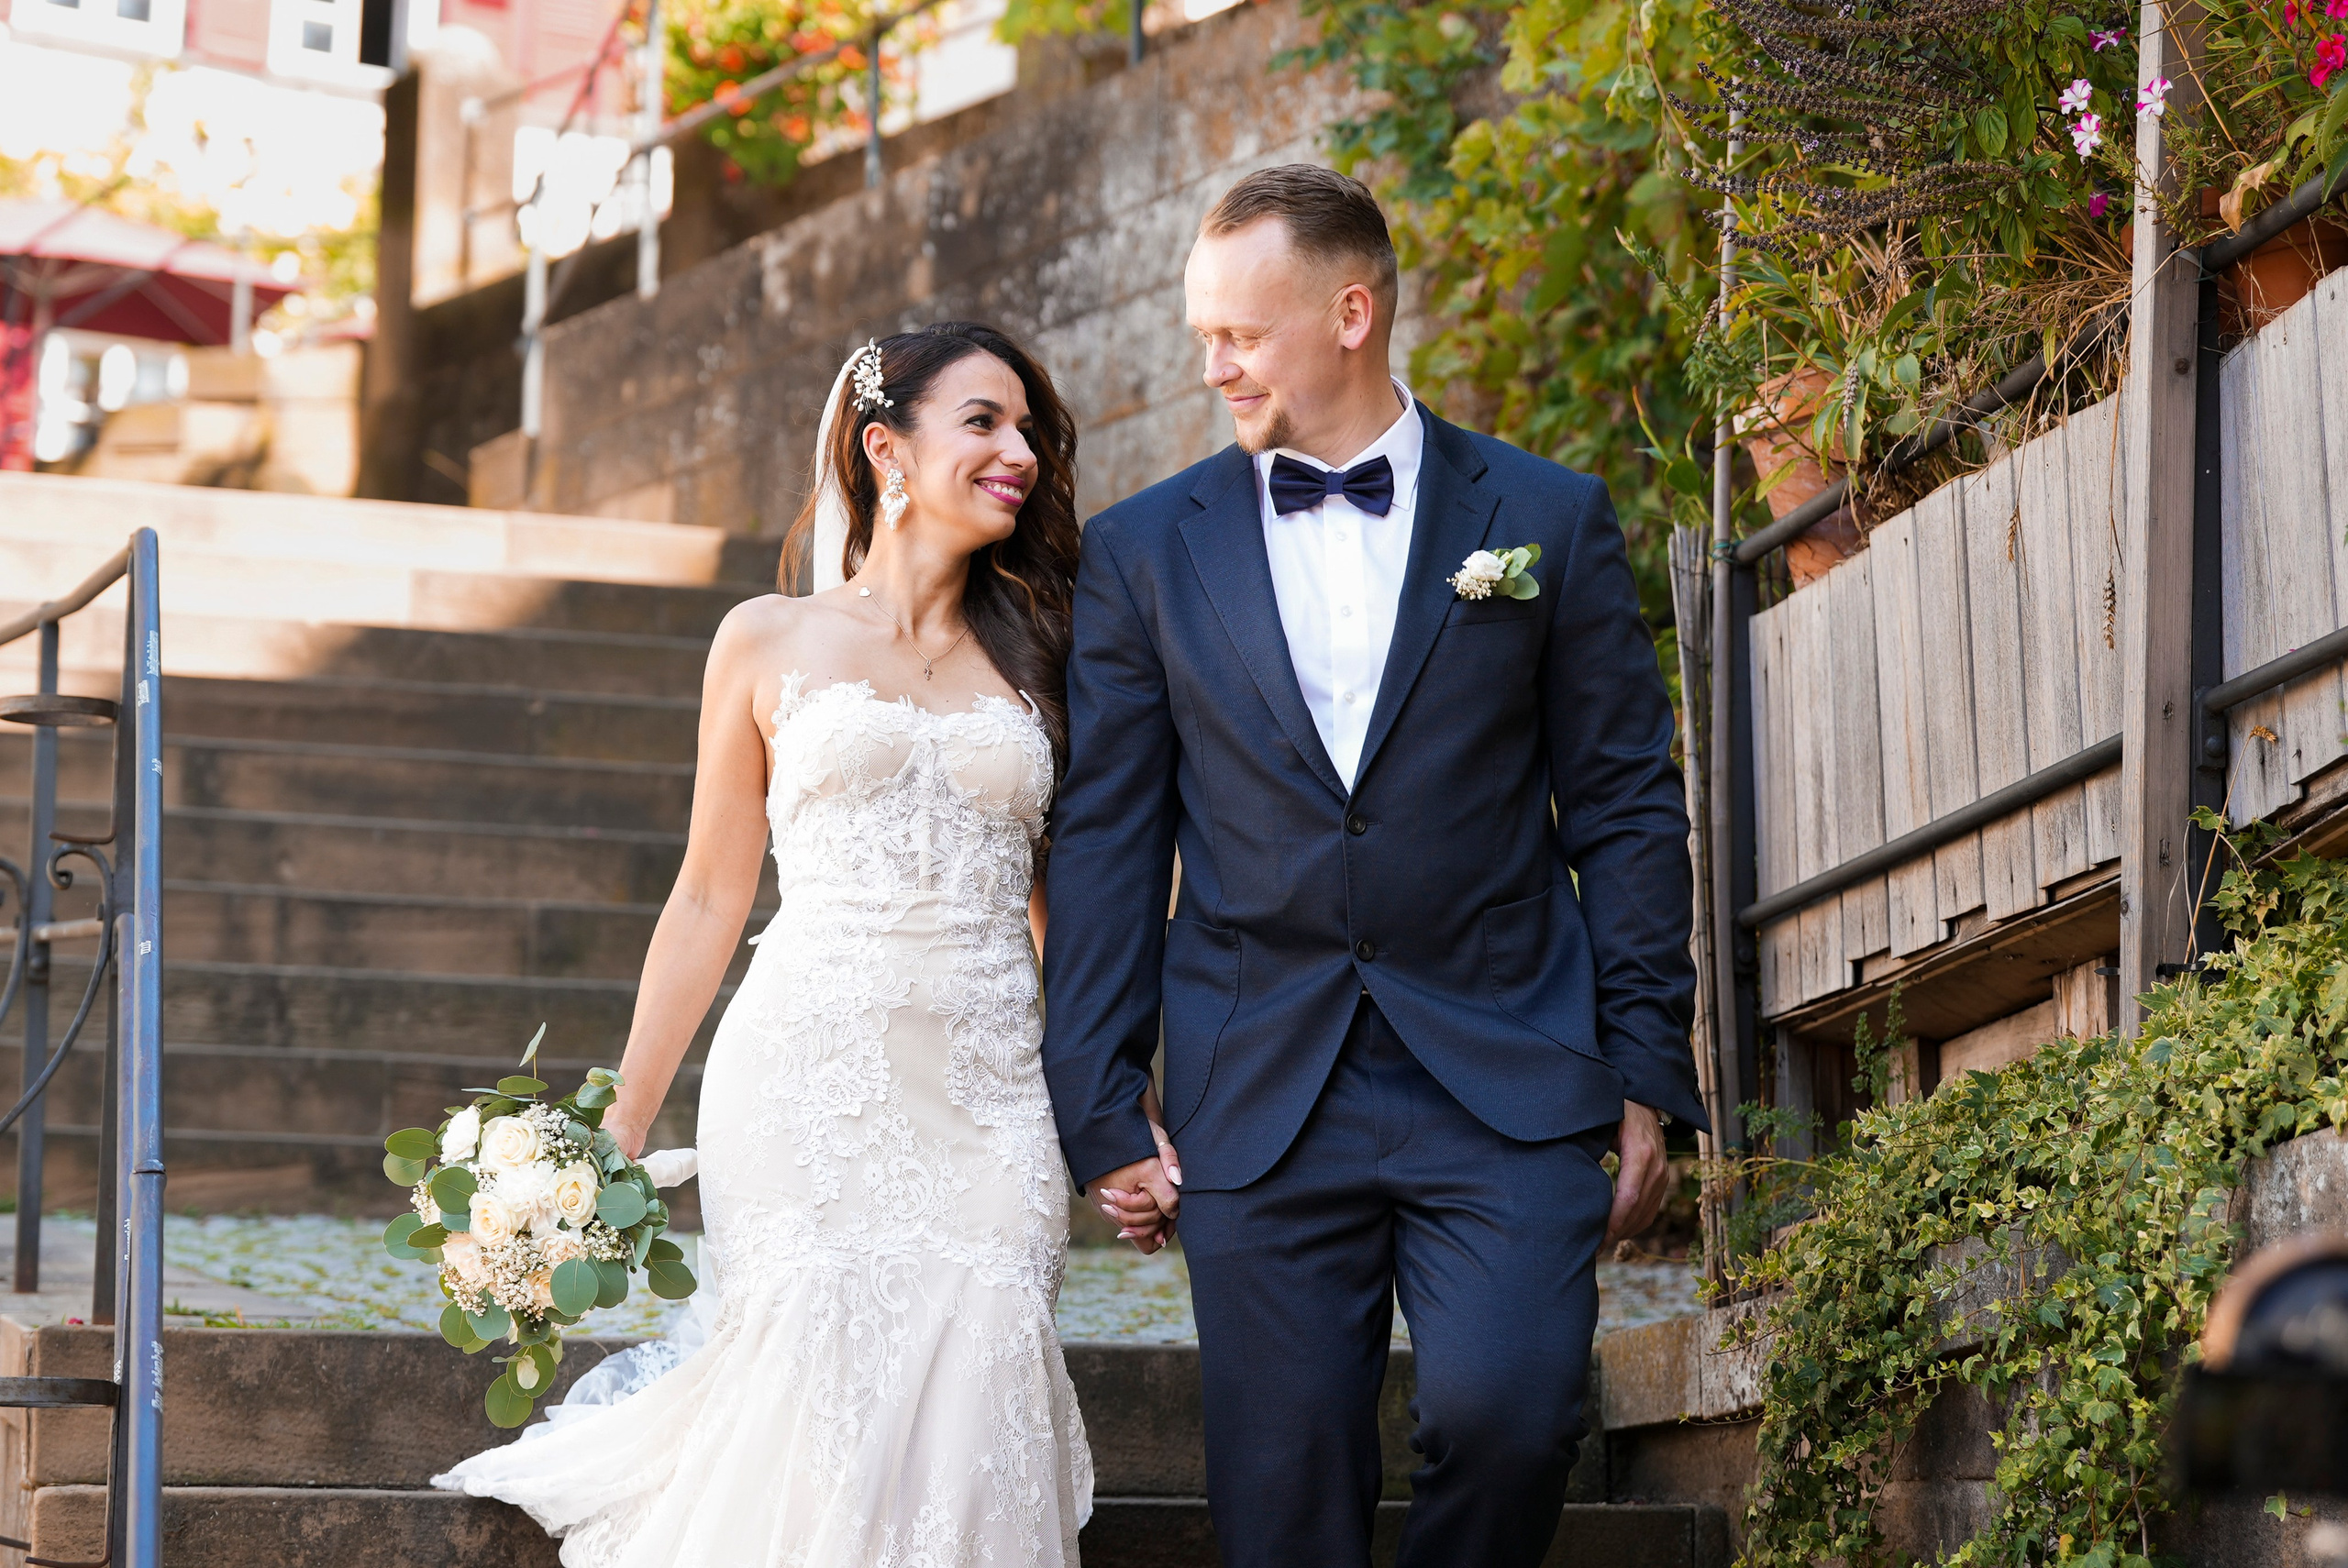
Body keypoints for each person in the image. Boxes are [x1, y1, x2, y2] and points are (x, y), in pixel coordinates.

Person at [1040, 164, 1708, 1568]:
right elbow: (1112, 836)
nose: (1212, 365)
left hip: (1507, 1062)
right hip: (1257, 1072)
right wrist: (1102, 1099)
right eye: (1201, 334)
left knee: (1515, 1412)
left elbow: (1627, 807)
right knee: (1281, 1493)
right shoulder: (1145, 553)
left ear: (1352, 312)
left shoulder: (1547, 518)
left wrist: (1647, 1062)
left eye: (1241, 331)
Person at [435, 321, 1100, 1567]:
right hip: (807, 1076)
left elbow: (1070, 910)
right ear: (884, 446)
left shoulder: (1053, 651)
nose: (1019, 452)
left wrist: (1114, 1102)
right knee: (817, 1387)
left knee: (986, 1359)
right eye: (985, 422)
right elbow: (706, 895)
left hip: (992, 1089)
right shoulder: (764, 639)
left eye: (1029, 432)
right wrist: (621, 1124)